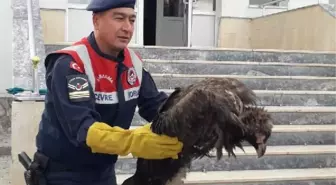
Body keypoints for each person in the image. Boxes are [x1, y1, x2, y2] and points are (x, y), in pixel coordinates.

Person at [30, 0, 183, 184]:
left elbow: (157, 107)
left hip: (104, 172)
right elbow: (83, 129)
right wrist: (133, 141)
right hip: (62, 175)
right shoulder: (71, 64)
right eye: (119, 18)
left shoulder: (132, 64)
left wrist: (191, 116)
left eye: (132, 20)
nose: (127, 28)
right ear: (96, 21)